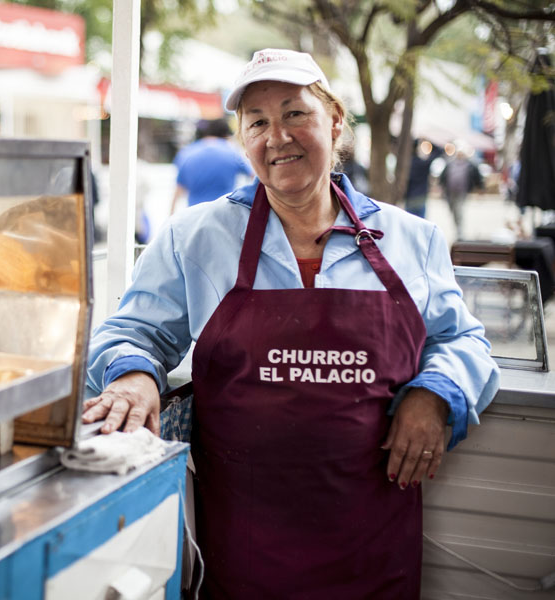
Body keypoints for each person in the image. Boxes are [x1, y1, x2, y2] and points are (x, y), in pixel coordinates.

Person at [83, 48, 499, 598]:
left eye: (294, 113)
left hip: (371, 539)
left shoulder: (410, 239)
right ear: (243, 140)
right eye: (257, 122)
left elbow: (461, 339)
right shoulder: (196, 236)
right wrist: (134, 373)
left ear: (334, 120)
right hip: (244, 539)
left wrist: (437, 393)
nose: (277, 136)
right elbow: (131, 331)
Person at [171, 118, 253, 213]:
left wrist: (170, 217)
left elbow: (178, 190)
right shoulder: (232, 152)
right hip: (224, 216)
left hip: (194, 216)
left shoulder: (185, 153)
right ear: (226, 135)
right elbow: (255, 177)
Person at [439, 146, 483, 240]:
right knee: (452, 209)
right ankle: (457, 226)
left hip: (461, 191)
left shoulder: (470, 165)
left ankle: (459, 231)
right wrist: (441, 187)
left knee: (458, 209)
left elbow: (477, 177)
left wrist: (479, 188)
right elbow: (443, 176)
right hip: (449, 191)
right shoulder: (450, 163)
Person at [404, 138, 442, 218]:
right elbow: (439, 151)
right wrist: (429, 141)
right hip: (420, 198)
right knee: (421, 225)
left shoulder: (405, 165)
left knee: (409, 223)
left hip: (409, 198)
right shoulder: (423, 164)